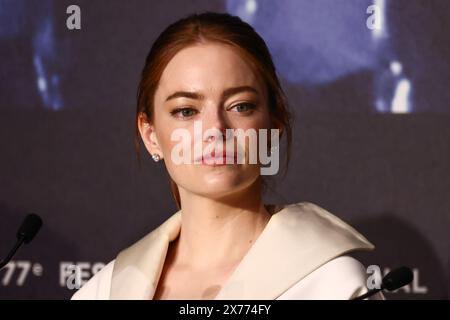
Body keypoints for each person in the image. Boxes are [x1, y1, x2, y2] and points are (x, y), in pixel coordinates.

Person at [72, 12, 382, 300]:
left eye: (240, 106)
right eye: (186, 111)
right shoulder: (105, 291)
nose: (216, 129)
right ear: (150, 134)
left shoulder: (333, 285)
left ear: (274, 125)